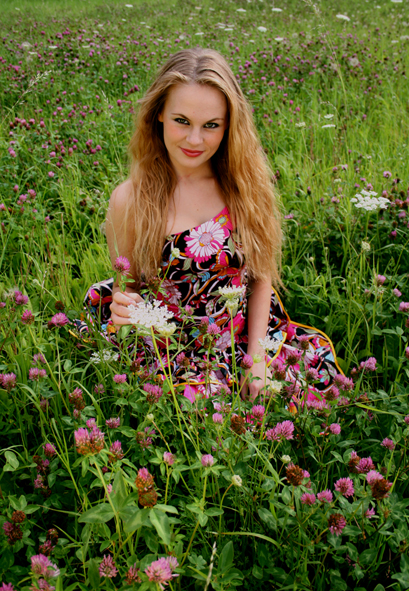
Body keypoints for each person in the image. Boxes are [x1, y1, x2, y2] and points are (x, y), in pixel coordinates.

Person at [75, 47, 343, 402]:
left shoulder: (245, 188)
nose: (194, 140)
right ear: (158, 115)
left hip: (243, 330)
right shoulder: (130, 200)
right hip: (169, 341)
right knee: (196, 416)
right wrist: (124, 307)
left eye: (211, 125)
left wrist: (257, 361)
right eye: (181, 121)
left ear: (229, 125)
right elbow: (130, 285)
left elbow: (261, 278)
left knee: (302, 393)